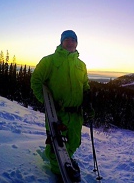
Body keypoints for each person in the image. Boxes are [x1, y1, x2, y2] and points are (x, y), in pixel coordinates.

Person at [31, 30, 94, 176]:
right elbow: (36, 81)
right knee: (57, 145)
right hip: (57, 113)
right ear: (61, 42)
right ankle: (59, 173)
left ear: (77, 43)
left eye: (73, 40)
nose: (70, 42)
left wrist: (88, 103)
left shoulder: (81, 65)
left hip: (76, 115)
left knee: (73, 142)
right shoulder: (49, 61)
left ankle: (67, 162)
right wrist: (48, 104)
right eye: (67, 40)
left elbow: (85, 86)